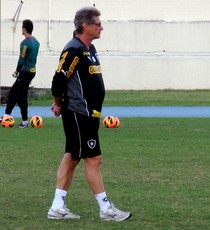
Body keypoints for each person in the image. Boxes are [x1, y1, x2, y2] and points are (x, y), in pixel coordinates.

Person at [48, 7, 132, 221]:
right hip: (78, 112)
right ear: (85, 25)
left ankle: (57, 206)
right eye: (98, 23)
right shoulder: (74, 49)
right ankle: (106, 209)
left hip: (88, 113)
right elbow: (59, 79)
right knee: (93, 158)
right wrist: (58, 103)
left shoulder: (89, 48)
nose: (101, 27)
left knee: (73, 156)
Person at [1, 19, 40, 128]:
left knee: (20, 96)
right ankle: (6, 116)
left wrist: (17, 70)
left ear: (24, 28)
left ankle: (24, 122)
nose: (21, 29)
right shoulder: (36, 42)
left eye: (22, 27)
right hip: (32, 71)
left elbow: (21, 59)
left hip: (25, 71)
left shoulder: (25, 43)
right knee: (14, 92)